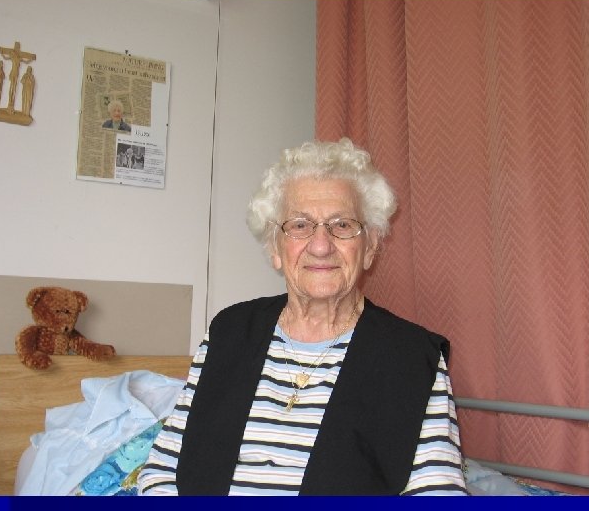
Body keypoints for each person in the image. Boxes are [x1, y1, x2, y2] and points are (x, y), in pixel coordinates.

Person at [138, 138, 468, 496]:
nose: (321, 245)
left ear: (370, 246)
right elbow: (162, 470)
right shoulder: (229, 332)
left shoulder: (411, 357)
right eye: (299, 225)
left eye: (342, 225)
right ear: (274, 247)